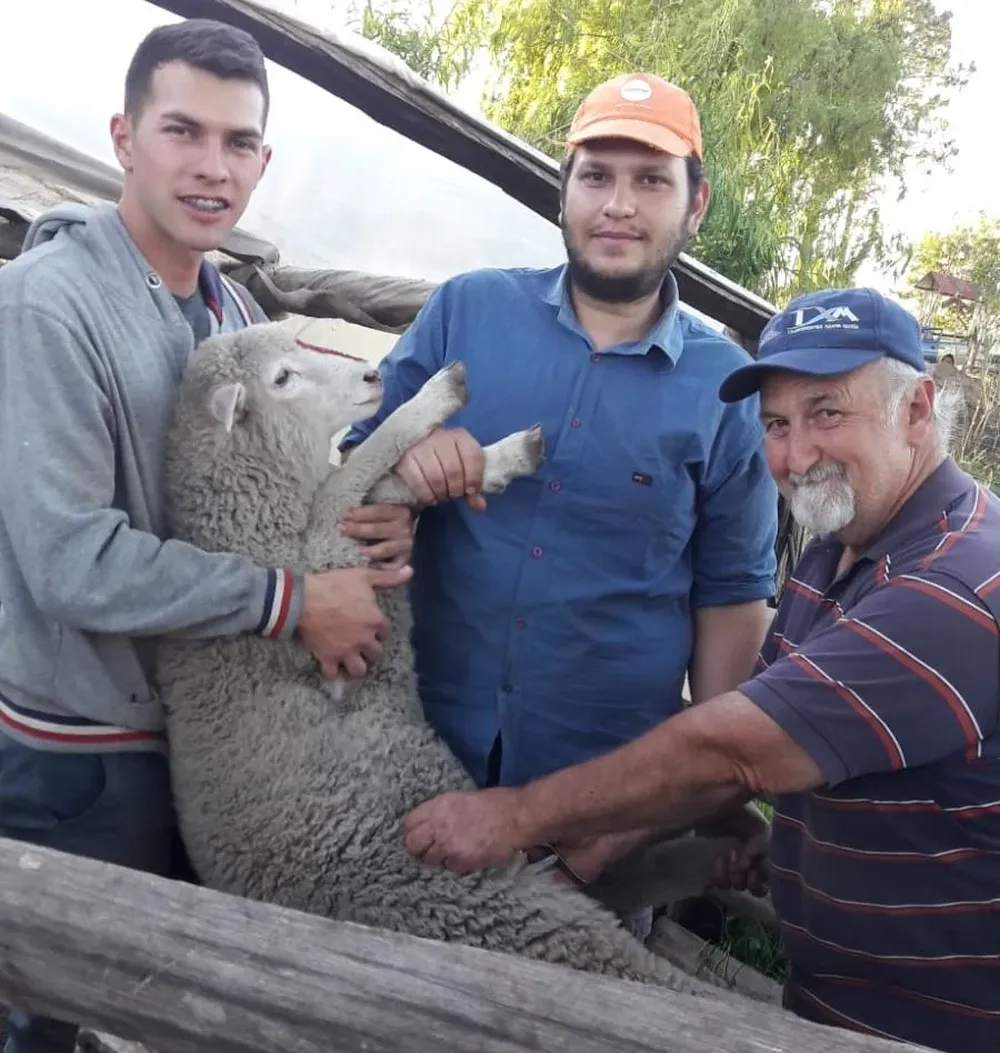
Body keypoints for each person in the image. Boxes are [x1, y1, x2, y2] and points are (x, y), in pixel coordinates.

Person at [401, 287, 1000, 1053]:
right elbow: (767, 733)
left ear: (916, 409)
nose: (796, 456)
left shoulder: (956, 589)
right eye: (776, 425)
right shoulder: (840, 549)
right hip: (841, 1004)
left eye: (827, 413)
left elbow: (739, 748)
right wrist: (603, 843)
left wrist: (511, 817)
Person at [0, 20, 410, 1053]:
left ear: (264, 162)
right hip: (78, 751)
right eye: (182, 131)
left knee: (167, 1010)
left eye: (238, 142)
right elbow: (70, 561)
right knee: (50, 1013)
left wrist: (363, 532)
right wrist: (291, 601)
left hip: (206, 740)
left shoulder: (233, 317)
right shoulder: (46, 307)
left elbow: (271, 501)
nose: (212, 166)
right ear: (124, 137)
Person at [340, 73, 780, 908]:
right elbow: (348, 473)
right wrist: (409, 453)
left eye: (651, 181)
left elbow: (729, 610)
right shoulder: (468, 311)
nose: (619, 205)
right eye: (596, 175)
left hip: (596, 825)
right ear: (564, 189)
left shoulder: (729, 391)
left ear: (696, 204)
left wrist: (703, 796)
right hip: (402, 759)